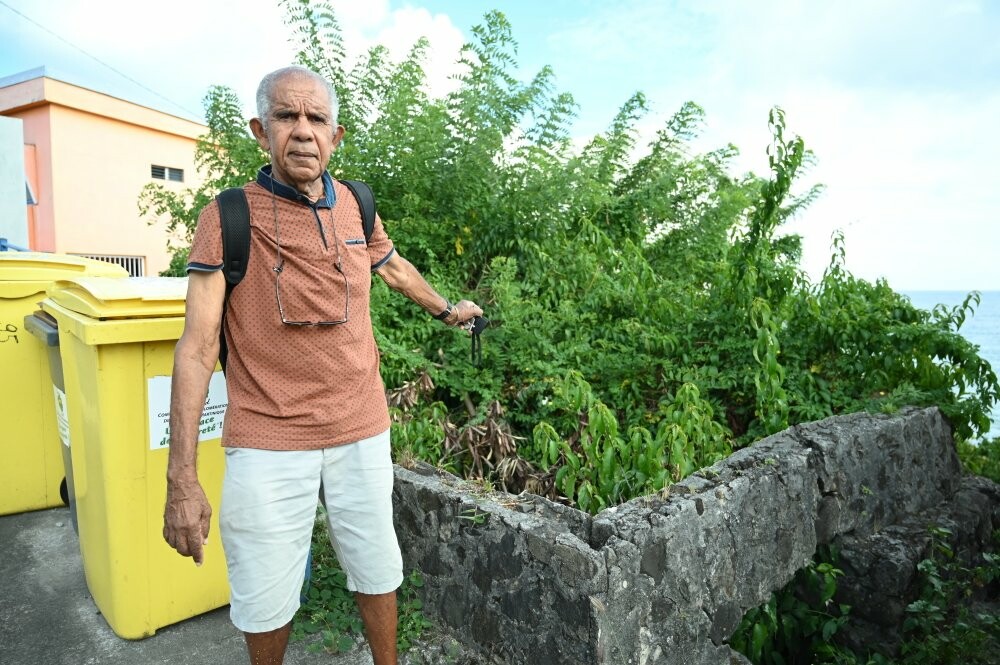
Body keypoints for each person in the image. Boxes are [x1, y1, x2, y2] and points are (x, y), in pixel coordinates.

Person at [162, 65, 482, 665]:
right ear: (261, 130)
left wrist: (448, 311)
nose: (303, 131)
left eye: (316, 119)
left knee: (377, 562)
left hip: (361, 426)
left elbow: (391, 266)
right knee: (264, 589)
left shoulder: (357, 205)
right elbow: (198, 347)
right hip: (267, 436)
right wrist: (181, 478)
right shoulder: (228, 216)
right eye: (287, 116)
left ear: (336, 137)